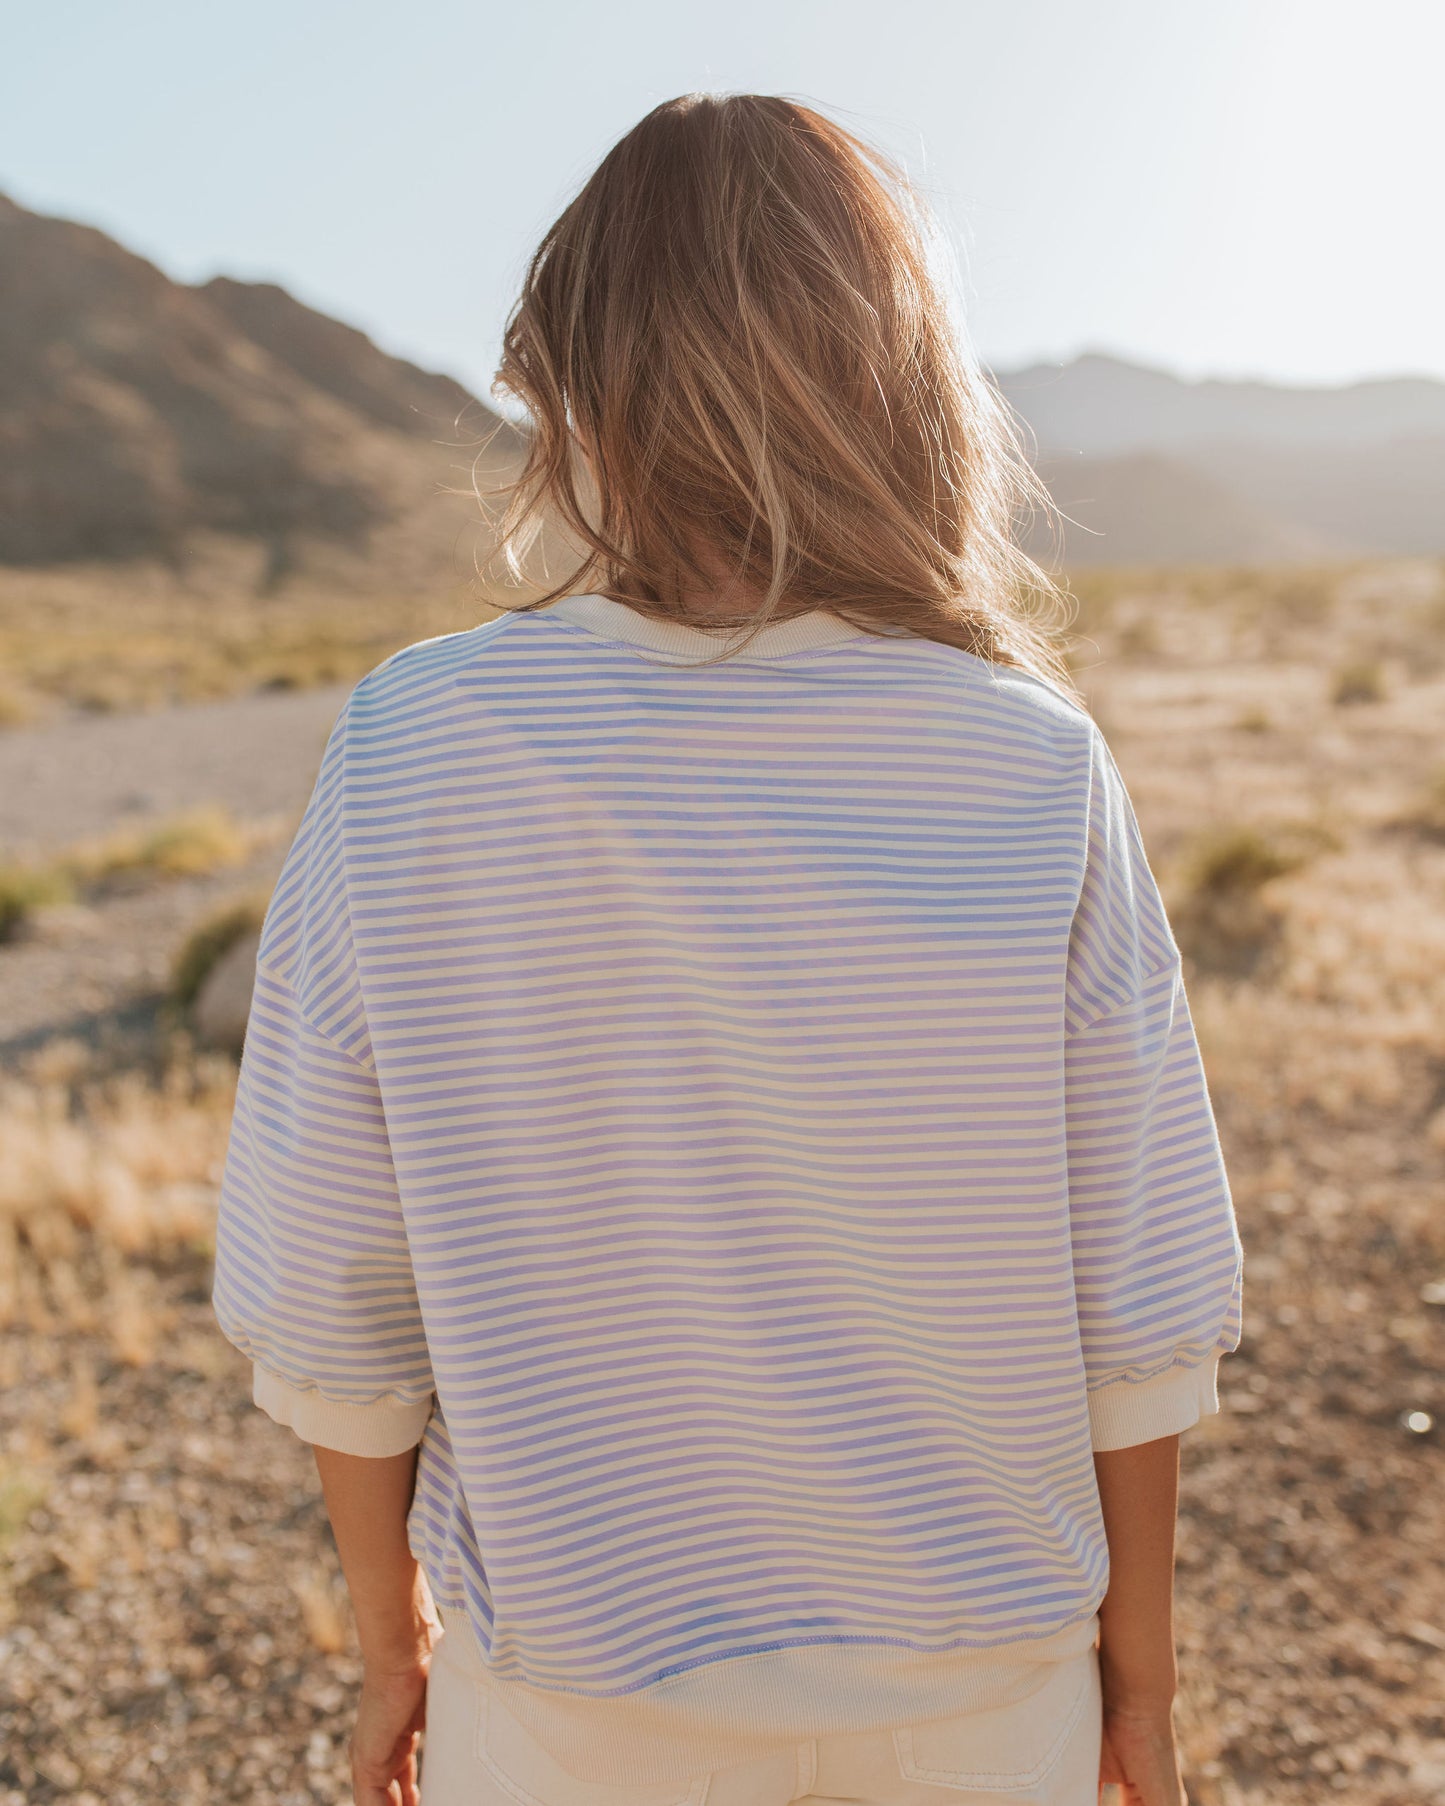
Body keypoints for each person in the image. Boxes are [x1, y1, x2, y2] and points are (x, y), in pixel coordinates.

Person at [211, 92, 1243, 1806]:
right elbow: (1137, 1303)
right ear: (905, 389)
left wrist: (395, 1641)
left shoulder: (418, 740)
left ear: (574, 382)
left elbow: (335, 1291)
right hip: (980, 1695)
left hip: (574, 1710)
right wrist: (1139, 1676)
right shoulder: (1027, 755)